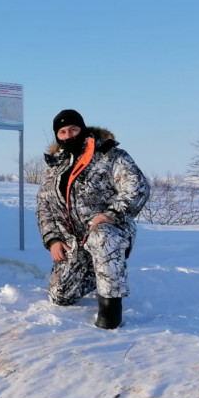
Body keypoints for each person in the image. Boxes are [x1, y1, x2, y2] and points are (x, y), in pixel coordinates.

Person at [36, 109, 149, 329]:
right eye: (63, 132)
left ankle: (110, 311)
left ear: (83, 128)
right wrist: (52, 239)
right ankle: (97, 270)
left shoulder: (110, 155)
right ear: (57, 136)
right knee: (60, 295)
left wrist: (111, 214)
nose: (69, 135)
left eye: (74, 129)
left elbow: (138, 188)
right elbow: (43, 207)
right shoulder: (54, 167)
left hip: (110, 231)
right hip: (74, 242)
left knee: (101, 238)